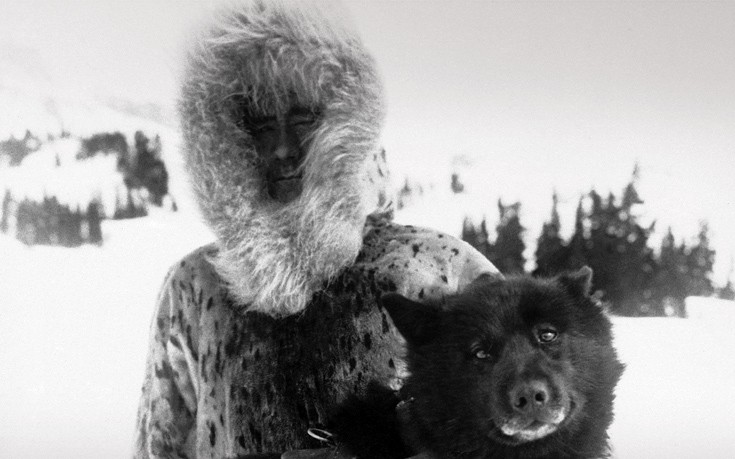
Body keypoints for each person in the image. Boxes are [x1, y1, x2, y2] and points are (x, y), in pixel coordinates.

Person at [133, 1, 498, 458]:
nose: (284, 148)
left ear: (350, 127)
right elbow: (156, 450)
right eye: (262, 127)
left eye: (304, 119)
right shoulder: (192, 289)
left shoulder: (437, 267)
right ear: (225, 143)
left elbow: (534, 431)